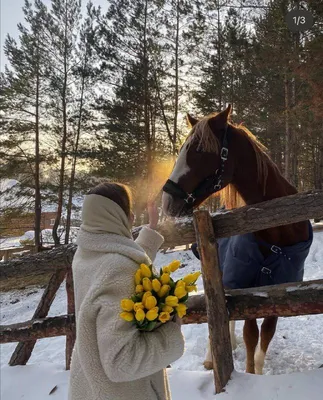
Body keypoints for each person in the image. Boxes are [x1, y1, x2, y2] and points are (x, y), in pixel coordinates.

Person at [68, 182, 185, 400]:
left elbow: (122, 264)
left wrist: (150, 231)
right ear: (116, 215)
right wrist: (170, 335)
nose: (132, 216)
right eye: (127, 211)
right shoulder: (119, 268)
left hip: (90, 385)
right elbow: (121, 363)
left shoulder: (86, 255)